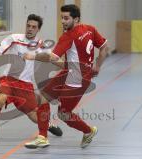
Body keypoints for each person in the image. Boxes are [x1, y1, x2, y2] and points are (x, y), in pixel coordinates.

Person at [24, 4, 108, 148]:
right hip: (70, 71)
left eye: (66, 18)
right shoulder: (89, 28)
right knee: (43, 98)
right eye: (62, 18)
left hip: (77, 80)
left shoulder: (69, 36)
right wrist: (98, 66)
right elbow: (104, 47)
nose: (62, 21)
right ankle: (42, 137)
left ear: (76, 19)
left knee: (64, 114)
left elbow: (52, 58)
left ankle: (89, 131)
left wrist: (33, 56)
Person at [0, 14, 63, 145]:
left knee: (34, 116)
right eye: (28, 25)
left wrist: (69, 67)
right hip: (8, 79)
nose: (30, 29)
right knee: (0, 99)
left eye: (33, 27)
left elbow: (53, 59)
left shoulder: (41, 45)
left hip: (25, 85)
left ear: (38, 29)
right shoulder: (15, 38)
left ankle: (47, 125)